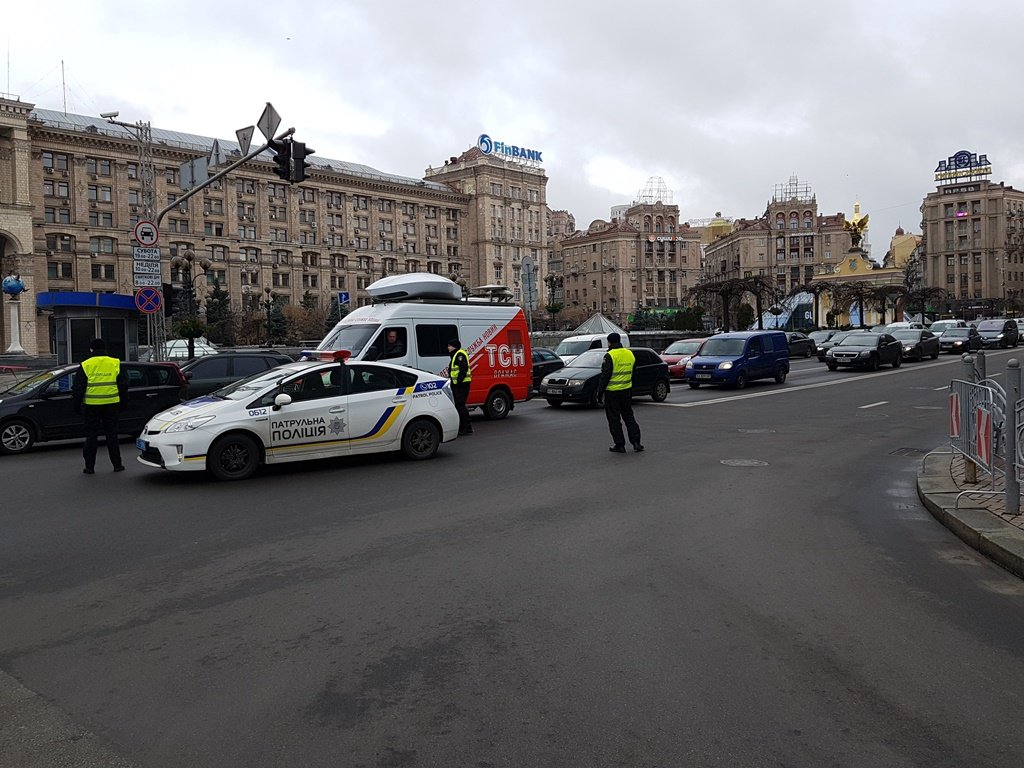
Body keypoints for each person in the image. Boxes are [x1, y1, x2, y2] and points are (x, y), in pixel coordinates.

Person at [73, 337, 128, 474]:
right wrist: (123, 404)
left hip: (91, 405)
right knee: (112, 435)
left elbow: (79, 388)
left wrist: (76, 406)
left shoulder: (86, 364)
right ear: (105, 349)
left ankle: (89, 467)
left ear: (91, 349)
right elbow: (123, 386)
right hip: (112, 404)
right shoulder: (115, 363)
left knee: (91, 436)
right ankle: (117, 465)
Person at [598, 332, 643, 453]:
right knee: (629, 416)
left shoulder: (610, 355)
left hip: (612, 392)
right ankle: (636, 442)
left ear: (610, 342)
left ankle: (620, 445)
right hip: (626, 390)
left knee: (614, 419)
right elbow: (634, 372)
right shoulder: (629, 353)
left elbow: (605, 375)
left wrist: (599, 392)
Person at [447, 337, 473, 435]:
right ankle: (463, 427)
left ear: (454, 346)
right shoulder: (455, 355)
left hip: (462, 384)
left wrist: (457, 382)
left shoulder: (459, 355)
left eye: (449, 346)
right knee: (459, 405)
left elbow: (463, 369)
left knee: (460, 405)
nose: (448, 348)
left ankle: (467, 427)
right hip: (458, 384)